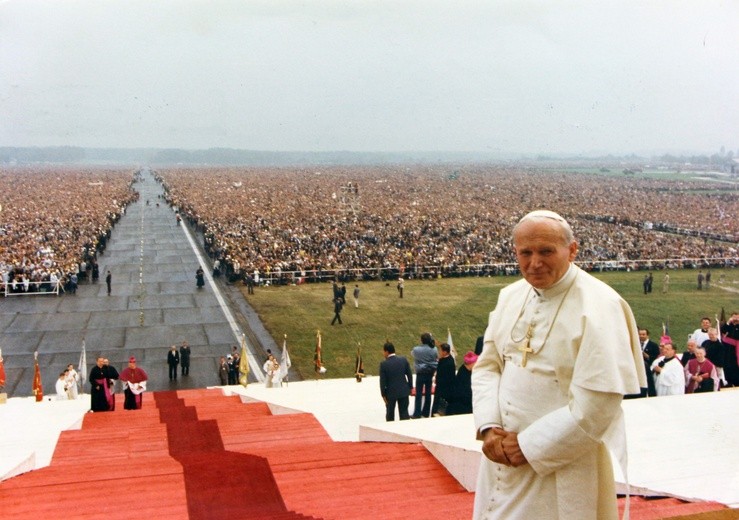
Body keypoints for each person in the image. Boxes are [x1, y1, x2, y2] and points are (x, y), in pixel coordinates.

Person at [472, 210, 644, 520]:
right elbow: (488, 366)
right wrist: (488, 427)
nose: (534, 262)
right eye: (525, 252)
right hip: (500, 457)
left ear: (572, 250)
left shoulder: (600, 306)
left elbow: (598, 403)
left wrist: (529, 446)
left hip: (560, 462)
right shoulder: (511, 296)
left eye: (546, 251)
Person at [379, 342, 413, 421]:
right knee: (404, 414)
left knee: (390, 415)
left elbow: (382, 381)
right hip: (403, 391)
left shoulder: (384, 364)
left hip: (390, 393)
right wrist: (410, 387)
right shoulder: (403, 360)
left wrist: (383, 394)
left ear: (387, 352)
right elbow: (409, 375)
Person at [410, 332, 438, 419]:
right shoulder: (434, 349)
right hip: (430, 373)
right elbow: (436, 357)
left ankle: (417, 413)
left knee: (418, 393)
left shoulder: (416, 350)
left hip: (420, 373)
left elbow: (412, 354)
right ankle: (426, 413)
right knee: (428, 393)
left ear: (421, 340)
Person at [446, 351, 477, 416]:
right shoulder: (463, 374)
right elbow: (465, 391)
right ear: (471, 363)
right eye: (475, 363)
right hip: (462, 407)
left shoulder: (467, 370)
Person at [431, 343, 455, 416]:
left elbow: (446, 377)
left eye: (440, 351)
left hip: (444, 390)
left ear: (445, 352)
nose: (439, 352)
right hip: (440, 386)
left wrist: (437, 379)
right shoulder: (444, 359)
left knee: (440, 407)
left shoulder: (449, 363)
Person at [638, 328, 660, 397]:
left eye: (643, 334)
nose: (641, 336)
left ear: (647, 335)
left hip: (648, 369)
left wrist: (647, 356)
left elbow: (657, 357)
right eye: (640, 334)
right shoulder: (636, 344)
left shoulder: (653, 345)